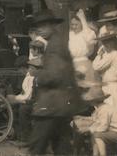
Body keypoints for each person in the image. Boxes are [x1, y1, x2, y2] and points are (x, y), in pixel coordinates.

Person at [28, 9, 85, 155]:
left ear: (51, 25)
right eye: (38, 26)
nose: (39, 29)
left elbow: (54, 75)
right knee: (61, 146)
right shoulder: (57, 42)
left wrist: (37, 75)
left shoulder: (54, 47)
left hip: (51, 105)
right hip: (63, 105)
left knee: (38, 145)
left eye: (43, 25)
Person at [92, 32, 117, 136]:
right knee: (110, 113)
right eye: (103, 42)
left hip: (113, 87)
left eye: (108, 42)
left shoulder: (113, 54)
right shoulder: (110, 55)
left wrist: (99, 55)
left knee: (116, 112)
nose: (105, 45)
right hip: (109, 86)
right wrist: (101, 55)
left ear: (114, 42)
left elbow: (96, 67)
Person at [7, 57, 42, 144]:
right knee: (13, 107)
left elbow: (33, 96)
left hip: (40, 103)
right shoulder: (33, 78)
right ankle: (18, 135)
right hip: (34, 101)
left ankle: (26, 138)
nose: (28, 70)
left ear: (37, 70)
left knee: (23, 109)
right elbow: (27, 93)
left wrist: (20, 100)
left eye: (31, 68)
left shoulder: (39, 79)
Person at [85, 86, 117, 156]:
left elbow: (103, 127)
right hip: (114, 133)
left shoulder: (104, 110)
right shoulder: (100, 108)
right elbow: (95, 120)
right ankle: (95, 154)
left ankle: (102, 154)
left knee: (97, 134)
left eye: (90, 100)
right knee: (95, 133)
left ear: (94, 101)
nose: (89, 102)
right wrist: (85, 119)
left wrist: (88, 129)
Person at [69, 9, 98, 91]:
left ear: (82, 24)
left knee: (86, 86)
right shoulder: (70, 35)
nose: (74, 27)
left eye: (76, 24)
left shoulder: (86, 34)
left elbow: (90, 39)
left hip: (84, 63)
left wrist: (82, 18)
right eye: (72, 24)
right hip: (72, 64)